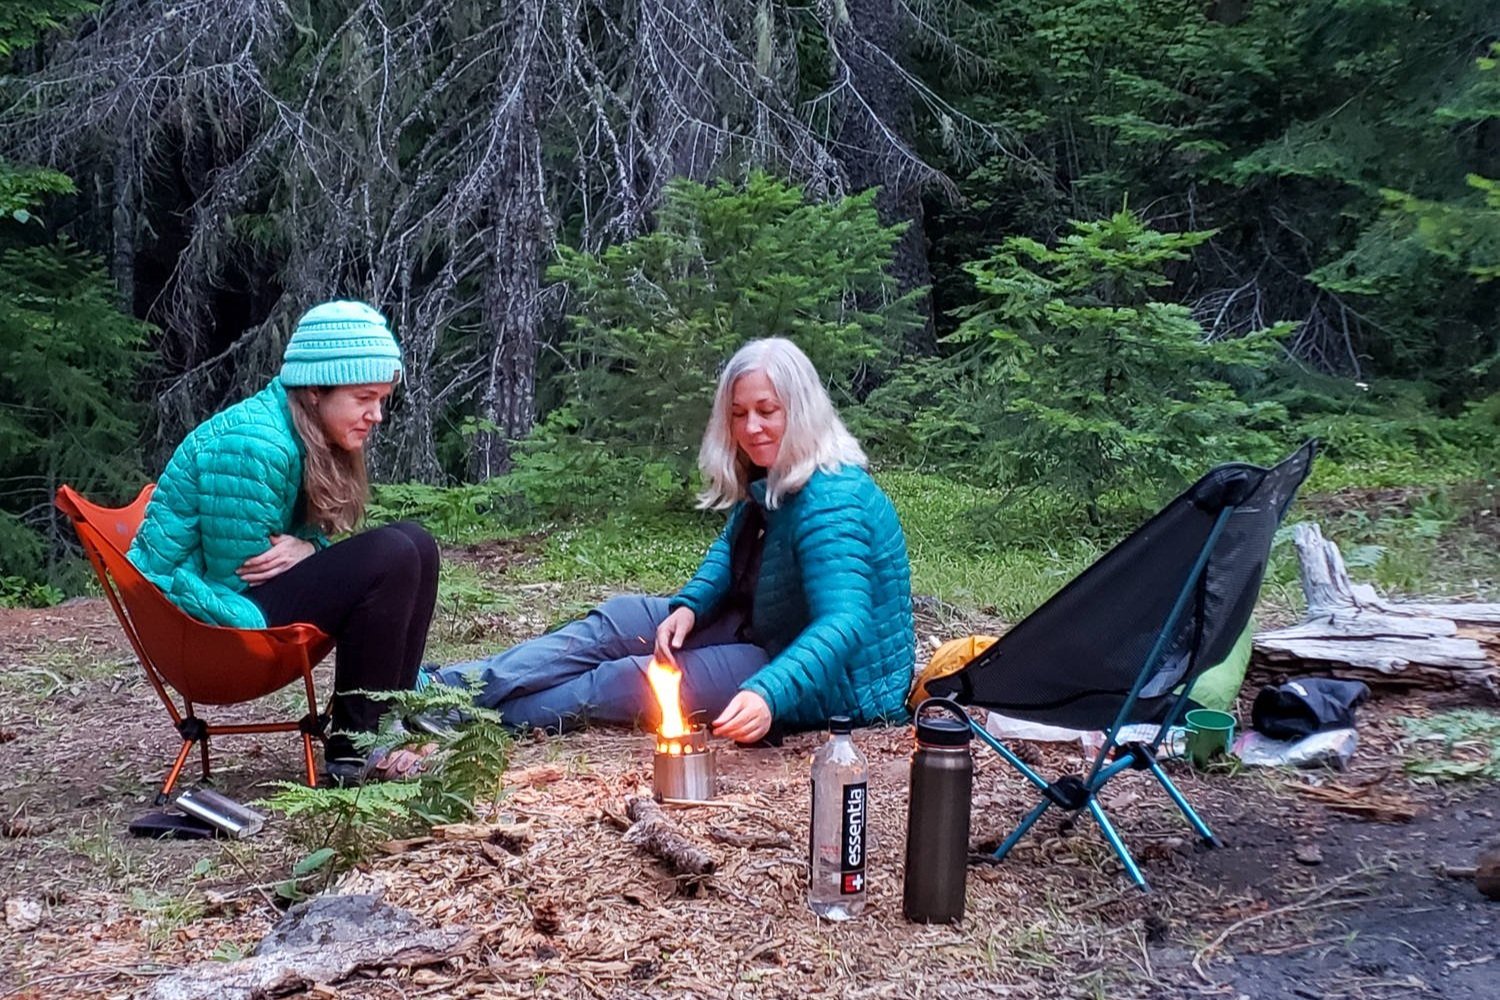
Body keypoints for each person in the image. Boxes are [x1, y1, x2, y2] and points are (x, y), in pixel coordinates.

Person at [431, 337, 915, 743]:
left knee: (628, 679)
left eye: (767, 410)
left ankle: (471, 719)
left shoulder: (833, 497)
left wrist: (769, 692)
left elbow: (844, 623)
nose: (751, 427)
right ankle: (440, 688)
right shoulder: (776, 472)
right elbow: (733, 549)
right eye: (739, 413)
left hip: (836, 680)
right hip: (765, 627)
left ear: (802, 409)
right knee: (616, 622)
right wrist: (690, 605)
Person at [128, 300, 438, 783]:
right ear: (315, 390)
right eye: (363, 398)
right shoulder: (256, 445)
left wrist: (310, 548)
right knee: (392, 554)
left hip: (229, 598)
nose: (377, 415)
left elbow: (285, 548)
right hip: (207, 619)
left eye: (382, 399)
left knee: (417, 542)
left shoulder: (297, 431)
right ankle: (354, 748)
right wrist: (314, 551)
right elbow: (245, 575)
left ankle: (384, 724)